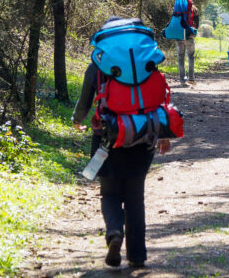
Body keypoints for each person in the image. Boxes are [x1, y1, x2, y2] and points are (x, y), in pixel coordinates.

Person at [72, 17, 171, 270]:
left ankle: (115, 232)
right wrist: (163, 134)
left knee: (110, 193)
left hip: (107, 137)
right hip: (142, 135)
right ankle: (137, 256)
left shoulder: (99, 63)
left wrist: (77, 119)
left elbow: (85, 98)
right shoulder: (146, 62)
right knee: (135, 197)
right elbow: (159, 97)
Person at [177, 0, 199, 85]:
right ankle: (191, 78)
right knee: (191, 57)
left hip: (179, 35)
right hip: (189, 35)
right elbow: (197, 24)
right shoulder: (194, 9)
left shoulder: (178, 8)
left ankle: (182, 79)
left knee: (181, 57)